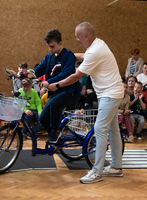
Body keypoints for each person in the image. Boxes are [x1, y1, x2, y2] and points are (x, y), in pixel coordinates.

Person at [49, 22, 124, 184]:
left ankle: (97, 171)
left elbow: (76, 76)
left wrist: (56, 85)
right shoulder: (98, 44)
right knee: (113, 130)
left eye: (78, 37)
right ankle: (116, 167)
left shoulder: (95, 51)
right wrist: (67, 54)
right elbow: (83, 56)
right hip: (112, 92)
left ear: (86, 36)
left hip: (109, 95)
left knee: (100, 129)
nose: (76, 39)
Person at [11, 29, 81, 143]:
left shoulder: (68, 55)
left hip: (71, 91)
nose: (50, 49)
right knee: (43, 119)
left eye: (52, 46)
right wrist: (21, 75)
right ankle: (56, 137)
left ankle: (54, 133)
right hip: (57, 93)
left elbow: (66, 74)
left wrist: (49, 82)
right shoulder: (49, 57)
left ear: (60, 43)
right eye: (48, 46)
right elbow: (36, 71)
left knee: (54, 104)